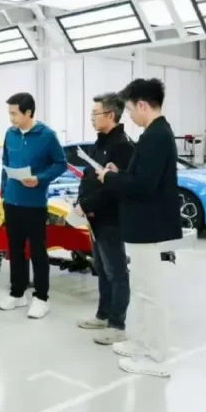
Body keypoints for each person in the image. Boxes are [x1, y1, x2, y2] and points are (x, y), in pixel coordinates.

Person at [96, 78, 182, 378]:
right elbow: (143, 176)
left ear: (143, 105)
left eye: (131, 110)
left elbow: (143, 185)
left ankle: (156, 357)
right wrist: (120, 172)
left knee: (151, 293)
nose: (130, 116)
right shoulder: (154, 134)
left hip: (151, 228)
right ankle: (143, 343)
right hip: (145, 227)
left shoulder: (156, 137)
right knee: (144, 290)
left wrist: (110, 179)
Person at [0, 93, 67, 318]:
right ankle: (17, 293)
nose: (11, 118)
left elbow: (61, 163)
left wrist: (40, 178)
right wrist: (3, 193)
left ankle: (41, 298)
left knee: (38, 250)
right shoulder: (10, 134)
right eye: (9, 113)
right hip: (11, 201)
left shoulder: (47, 135)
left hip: (35, 203)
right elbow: (5, 163)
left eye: (14, 113)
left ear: (28, 112)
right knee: (15, 249)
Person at [74, 93, 135, 345]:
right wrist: (80, 201)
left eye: (95, 113)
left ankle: (117, 325)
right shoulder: (100, 143)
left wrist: (87, 204)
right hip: (94, 218)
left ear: (110, 115)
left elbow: (114, 187)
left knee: (116, 271)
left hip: (111, 218)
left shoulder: (123, 146)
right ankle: (103, 314)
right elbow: (90, 176)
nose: (91, 118)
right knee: (101, 267)